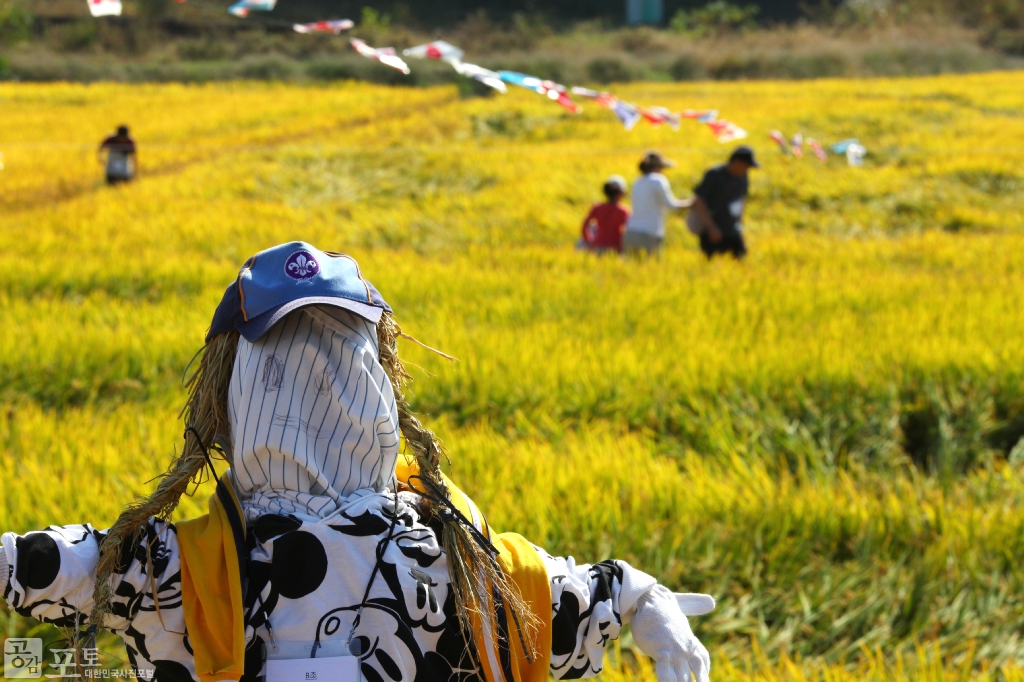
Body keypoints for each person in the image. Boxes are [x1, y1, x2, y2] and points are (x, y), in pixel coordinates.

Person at [0, 242, 715, 682]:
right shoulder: (450, 556)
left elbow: (41, 566)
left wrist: (642, 605)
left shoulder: (173, 571)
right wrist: (642, 604)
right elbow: (582, 596)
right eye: (283, 361)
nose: (317, 380)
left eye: (338, 354)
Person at [688, 146, 759, 260]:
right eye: (745, 166)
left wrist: (740, 223)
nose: (746, 170)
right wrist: (711, 228)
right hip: (713, 231)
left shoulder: (743, 177)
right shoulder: (714, 175)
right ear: (736, 162)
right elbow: (699, 201)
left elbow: (742, 199)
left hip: (732, 229)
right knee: (712, 264)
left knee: (741, 259)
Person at [623, 151, 692, 256]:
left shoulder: (637, 181)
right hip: (650, 233)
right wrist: (691, 203)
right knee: (649, 268)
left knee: (631, 269)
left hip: (631, 231)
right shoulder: (658, 180)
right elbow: (671, 205)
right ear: (656, 167)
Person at [578, 175, 630, 254]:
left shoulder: (597, 208)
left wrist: (588, 239)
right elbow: (629, 230)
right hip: (615, 248)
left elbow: (585, 224)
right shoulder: (623, 211)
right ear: (621, 193)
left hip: (598, 246)